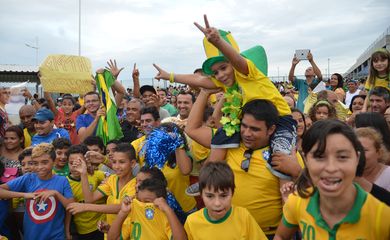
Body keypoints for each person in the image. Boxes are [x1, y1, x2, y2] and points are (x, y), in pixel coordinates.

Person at [154, 15, 296, 180]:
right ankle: (205, 181)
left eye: (223, 68)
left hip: (280, 121)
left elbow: (237, 60)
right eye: (215, 72)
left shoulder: (248, 73)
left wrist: (217, 41)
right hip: (250, 125)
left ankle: (288, 193)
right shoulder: (227, 85)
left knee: (280, 160)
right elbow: (199, 80)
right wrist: (169, 76)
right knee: (221, 138)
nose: (220, 75)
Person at [185, 95, 303, 237]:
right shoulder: (227, 142)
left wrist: (298, 173)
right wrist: (204, 91)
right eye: (244, 126)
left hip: (272, 234)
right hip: (232, 233)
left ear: (271, 129)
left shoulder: (286, 155)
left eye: (254, 129)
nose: (247, 133)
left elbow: (301, 198)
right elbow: (191, 129)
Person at [274, 120, 390, 239]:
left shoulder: (383, 218)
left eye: (342, 157)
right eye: (319, 156)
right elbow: (281, 236)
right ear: (306, 160)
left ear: (357, 158)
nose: (331, 168)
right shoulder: (297, 202)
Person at [0, 143, 75, 239]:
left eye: (44, 162)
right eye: (35, 163)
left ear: (53, 161)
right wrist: (25, 195)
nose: (39, 167)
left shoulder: (62, 180)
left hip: (56, 235)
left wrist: (56, 194)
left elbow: (71, 207)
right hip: (32, 235)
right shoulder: (28, 178)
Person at [184, 161, 267, 239]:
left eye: (223, 196)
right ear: (201, 195)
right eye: (210, 196)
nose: (217, 203)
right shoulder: (192, 222)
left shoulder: (243, 217)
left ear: (232, 193)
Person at [107, 178, 187, 240]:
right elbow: (112, 238)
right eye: (138, 200)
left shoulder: (165, 217)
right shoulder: (134, 214)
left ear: (161, 201)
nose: (141, 205)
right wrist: (122, 212)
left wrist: (168, 210)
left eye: (147, 201)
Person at [66, 144, 105, 240]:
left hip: (102, 225)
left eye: (79, 162)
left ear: (86, 162)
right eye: (71, 163)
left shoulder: (98, 175)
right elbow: (68, 211)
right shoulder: (65, 182)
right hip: (82, 230)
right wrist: (67, 231)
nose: (75, 166)